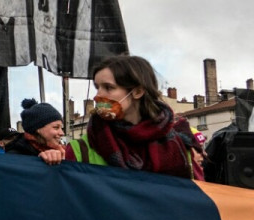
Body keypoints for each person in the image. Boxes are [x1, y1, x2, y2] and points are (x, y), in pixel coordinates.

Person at [63, 54, 203, 179]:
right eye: (97, 87)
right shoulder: (80, 149)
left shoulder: (179, 147)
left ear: (137, 92)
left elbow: (197, 197)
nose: (98, 95)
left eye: (108, 87)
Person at [4, 98, 66, 165]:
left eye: (61, 128)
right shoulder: (15, 156)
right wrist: (38, 162)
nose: (62, 133)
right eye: (56, 127)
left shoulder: (63, 150)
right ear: (38, 129)